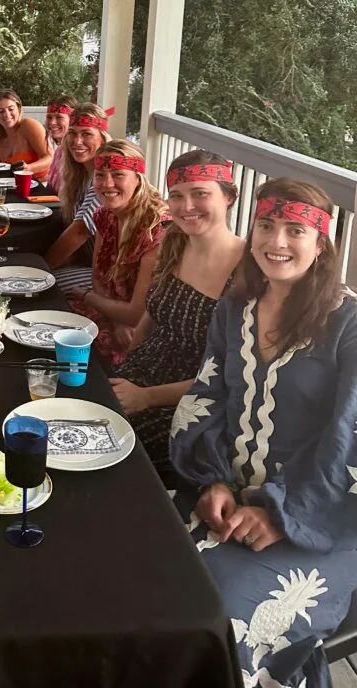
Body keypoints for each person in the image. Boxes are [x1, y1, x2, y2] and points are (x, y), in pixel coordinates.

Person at [170, 178, 357, 688]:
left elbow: (349, 439)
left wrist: (278, 513)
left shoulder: (348, 325)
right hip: (224, 497)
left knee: (219, 622)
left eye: (295, 230)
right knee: (139, 571)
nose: (277, 242)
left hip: (319, 520)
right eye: (266, 225)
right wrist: (210, 481)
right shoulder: (235, 310)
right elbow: (207, 398)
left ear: (321, 244)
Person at [108, 151, 244, 479]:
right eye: (177, 196)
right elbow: (151, 314)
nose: (186, 207)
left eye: (201, 194)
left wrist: (146, 397)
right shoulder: (174, 242)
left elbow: (230, 376)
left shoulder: (247, 271)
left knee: (114, 455)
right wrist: (122, 366)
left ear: (228, 196)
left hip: (191, 403)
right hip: (138, 376)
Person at [68, 140, 168, 366]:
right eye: (100, 175)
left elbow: (136, 314)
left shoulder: (156, 229)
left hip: (144, 331)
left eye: (118, 175)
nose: (107, 183)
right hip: (112, 316)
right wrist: (114, 320)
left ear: (138, 178)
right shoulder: (106, 215)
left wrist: (86, 296)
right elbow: (98, 276)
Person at [44, 103, 111, 291]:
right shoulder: (79, 176)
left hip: (110, 275)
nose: (77, 141)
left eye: (87, 134)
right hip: (87, 263)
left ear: (102, 138)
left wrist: (41, 269)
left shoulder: (106, 177)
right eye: (72, 133)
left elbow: (80, 232)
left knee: (44, 284)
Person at [0, 89, 53, 182]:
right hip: (13, 187)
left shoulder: (28, 125)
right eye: (1, 111)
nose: (7, 114)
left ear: (18, 108)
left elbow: (50, 158)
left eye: (11, 109)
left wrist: (29, 168)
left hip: (42, 184)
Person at [44, 93, 79, 194]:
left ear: (72, 120)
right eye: (49, 117)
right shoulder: (59, 151)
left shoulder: (78, 154)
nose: (52, 122)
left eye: (59, 117)